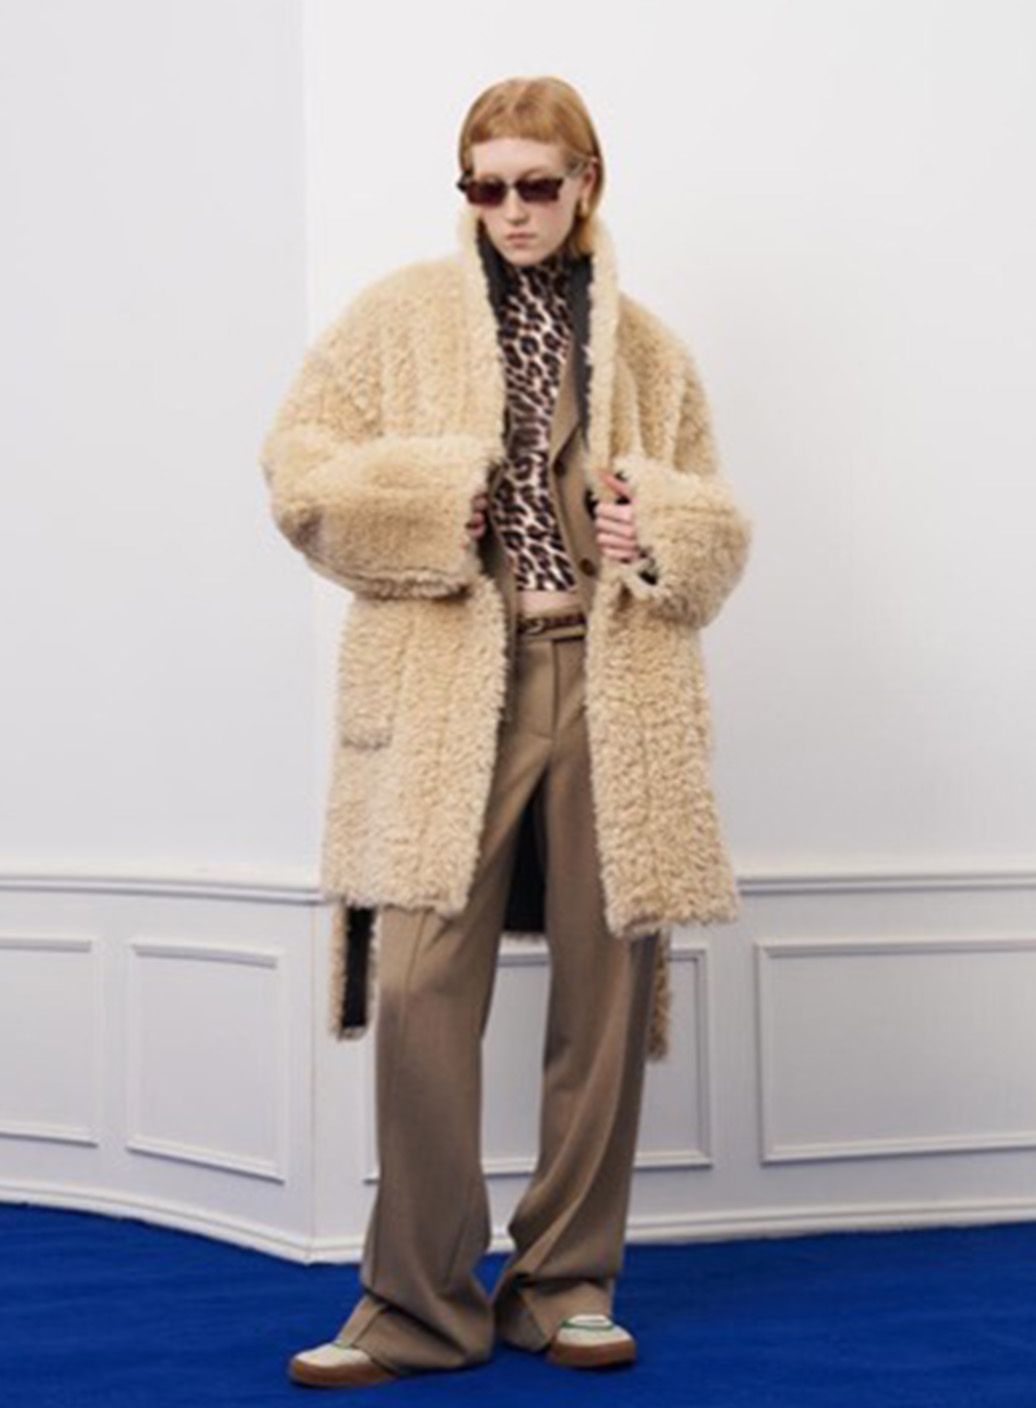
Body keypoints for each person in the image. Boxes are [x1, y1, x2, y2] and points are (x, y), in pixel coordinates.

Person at [259, 75, 752, 1389]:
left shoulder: (651, 351)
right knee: (418, 983)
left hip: (613, 678)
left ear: (587, 182)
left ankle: (567, 1282)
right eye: (488, 186)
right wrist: (431, 504)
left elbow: (716, 524)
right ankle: (415, 1303)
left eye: (538, 184)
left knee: (607, 986)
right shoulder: (398, 319)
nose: (513, 210)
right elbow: (298, 470)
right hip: (447, 680)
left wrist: (664, 528)